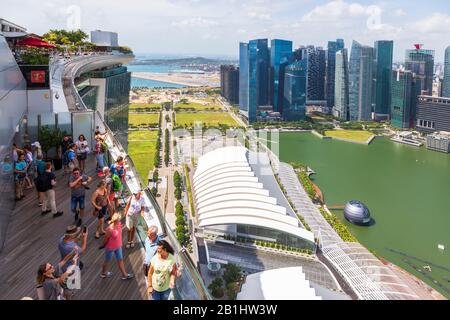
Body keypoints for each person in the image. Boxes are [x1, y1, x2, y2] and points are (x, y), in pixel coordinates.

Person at [100, 213, 134, 280]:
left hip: (118, 246)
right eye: (118, 220)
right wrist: (103, 245)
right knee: (107, 261)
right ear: (115, 220)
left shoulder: (119, 224)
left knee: (120, 260)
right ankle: (103, 273)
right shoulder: (110, 229)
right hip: (110, 248)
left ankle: (125, 274)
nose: (120, 221)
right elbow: (105, 239)